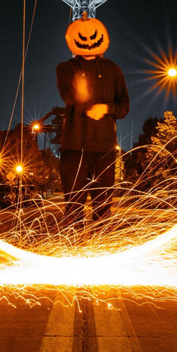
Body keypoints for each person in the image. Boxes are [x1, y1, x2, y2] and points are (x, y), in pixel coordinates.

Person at [56, 12, 130, 227]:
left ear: (102, 37)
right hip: (74, 146)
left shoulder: (113, 70)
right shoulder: (66, 68)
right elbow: (68, 97)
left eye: (93, 36)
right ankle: (75, 250)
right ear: (72, 38)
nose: (88, 40)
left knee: (103, 206)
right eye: (82, 36)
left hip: (104, 147)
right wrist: (83, 97)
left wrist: (106, 107)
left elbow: (124, 106)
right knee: (73, 206)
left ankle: (100, 250)